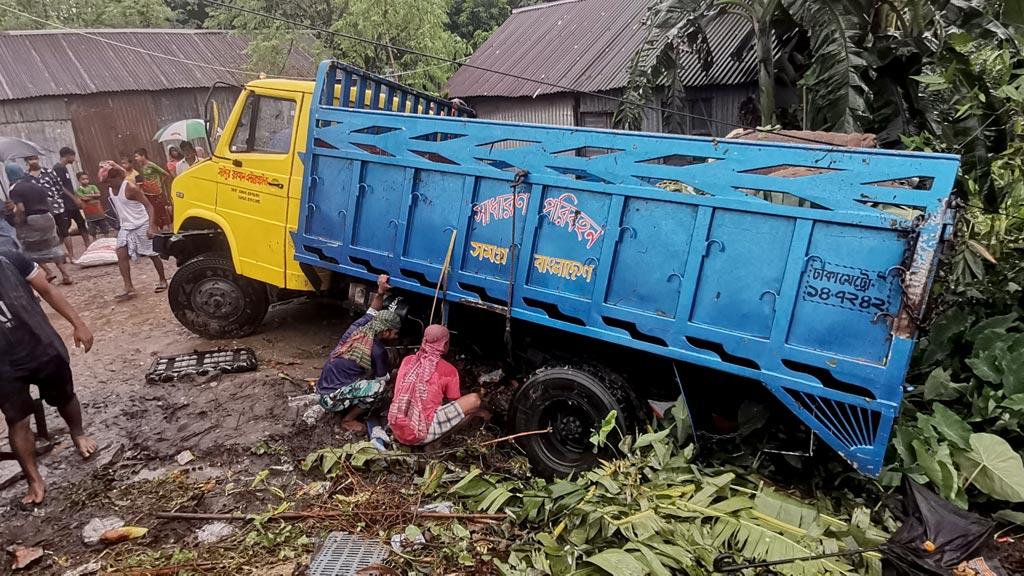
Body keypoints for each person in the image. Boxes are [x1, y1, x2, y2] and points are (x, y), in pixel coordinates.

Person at [0, 248, 96, 506]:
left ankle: (78, 434)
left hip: (40, 344)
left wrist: (78, 323)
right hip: (3, 363)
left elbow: (48, 290)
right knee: (17, 419)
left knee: (64, 396)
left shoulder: (10, 258)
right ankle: (33, 478)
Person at [316, 274, 402, 433]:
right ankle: (348, 419)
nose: (396, 337)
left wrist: (381, 291)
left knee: (366, 376)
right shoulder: (378, 351)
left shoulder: (357, 328)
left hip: (323, 386)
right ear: (385, 332)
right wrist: (398, 373)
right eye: (395, 333)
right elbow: (383, 380)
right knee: (380, 388)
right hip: (330, 399)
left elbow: (372, 310)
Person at [388, 325, 487, 446]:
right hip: (417, 436)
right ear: (445, 344)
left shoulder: (408, 360)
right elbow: (454, 401)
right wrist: (478, 411)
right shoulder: (450, 371)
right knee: (474, 401)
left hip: (395, 426)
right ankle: (436, 442)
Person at [99, 163, 167, 299]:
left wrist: (151, 226)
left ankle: (163, 279)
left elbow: (149, 206)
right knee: (121, 253)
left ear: (116, 178)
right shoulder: (112, 189)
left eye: (109, 182)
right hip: (126, 226)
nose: (107, 185)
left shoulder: (130, 188)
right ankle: (129, 287)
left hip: (141, 223)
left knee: (152, 253)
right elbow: (121, 172)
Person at [9, 174, 73, 284]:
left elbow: (21, 208)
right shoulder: (37, 186)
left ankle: (48, 272)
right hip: (48, 218)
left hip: (32, 220)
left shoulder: (15, 189)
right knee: (52, 246)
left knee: (30, 250)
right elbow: (48, 202)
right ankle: (66, 275)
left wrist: (16, 218)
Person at [52, 147, 92, 257]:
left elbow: (68, 187)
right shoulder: (58, 168)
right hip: (64, 204)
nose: (74, 159)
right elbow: (61, 187)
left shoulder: (64, 169)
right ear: (67, 156)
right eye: (73, 156)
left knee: (81, 223)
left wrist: (76, 197)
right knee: (64, 229)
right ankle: (69, 254)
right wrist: (74, 198)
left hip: (71, 203)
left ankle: (88, 247)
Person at [132, 148, 171, 230]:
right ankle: (158, 227)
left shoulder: (151, 165)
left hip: (156, 191)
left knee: (160, 209)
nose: (136, 159)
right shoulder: (141, 167)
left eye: (137, 156)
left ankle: (166, 227)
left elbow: (165, 174)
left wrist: (159, 183)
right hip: (147, 192)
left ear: (143, 156)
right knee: (153, 210)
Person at [75, 172, 112, 237]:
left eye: (86, 178)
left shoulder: (93, 187)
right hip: (89, 214)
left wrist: (87, 195)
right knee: (92, 231)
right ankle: (94, 240)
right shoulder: (79, 190)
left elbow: (99, 194)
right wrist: (93, 196)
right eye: (83, 179)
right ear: (79, 180)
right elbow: (84, 198)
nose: (85, 180)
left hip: (99, 212)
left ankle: (107, 239)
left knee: (104, 228)